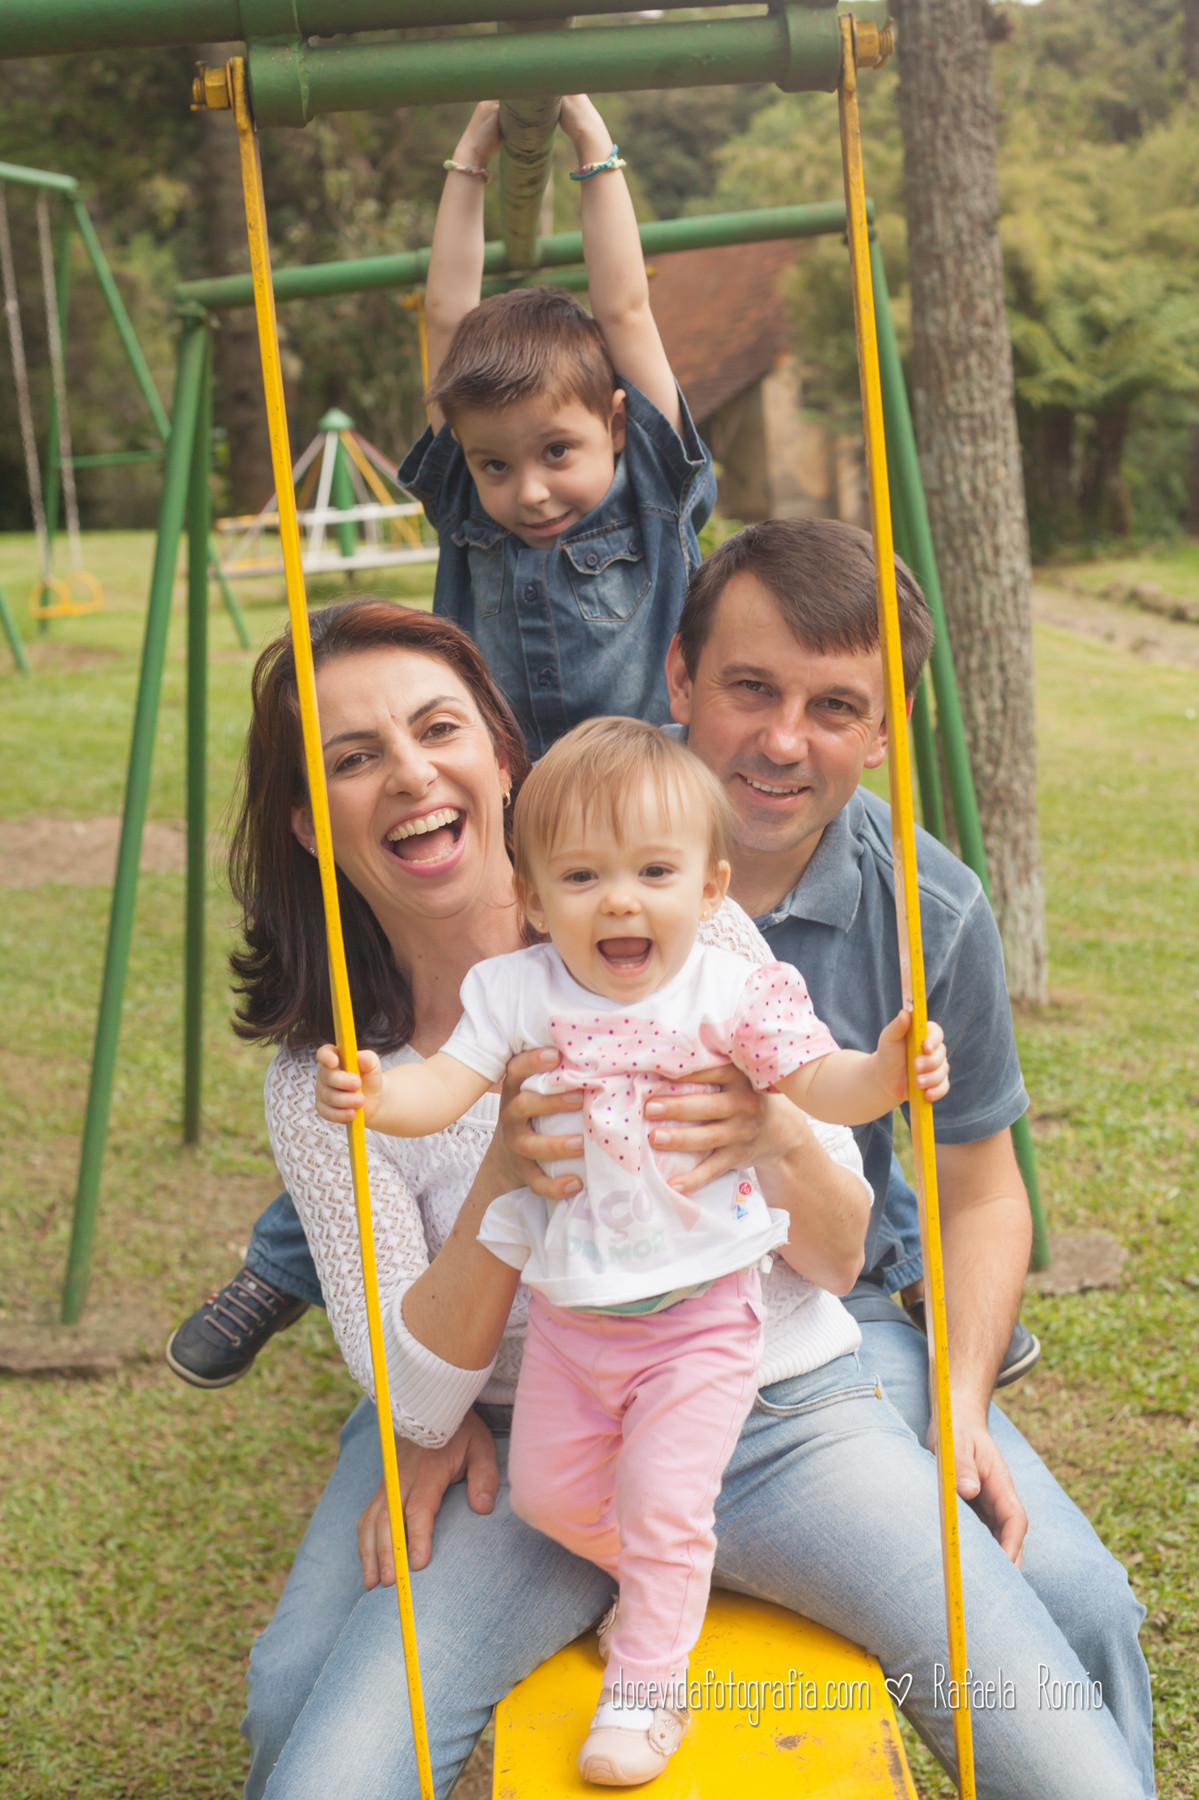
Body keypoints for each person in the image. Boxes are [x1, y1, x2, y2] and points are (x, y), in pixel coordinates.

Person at [228, 598, 887, 1797]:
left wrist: (782, 1126)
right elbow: (419, 1400)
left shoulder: (697, 947)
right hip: (525, 1435)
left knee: (1060, 1635)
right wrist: (500, 1168)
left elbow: (842, 1255)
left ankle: (658, 1595)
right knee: (301, 1728)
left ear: (500, 759)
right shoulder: (345, 1075)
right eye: (353, 758)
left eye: (437, 730)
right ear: (310, 825)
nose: (409, 775)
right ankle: (652, 1577)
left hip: (761, 1395)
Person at [396, 95, 716, 757]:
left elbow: (624, 309)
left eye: (557, 451)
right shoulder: (467, 505)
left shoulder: (649, 490)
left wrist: (592, 142)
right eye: (495, 465)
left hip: (653, 793)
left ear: (616, 425)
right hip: (521, 800)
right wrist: (468, 160)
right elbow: (445, 317)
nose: (531, 492)